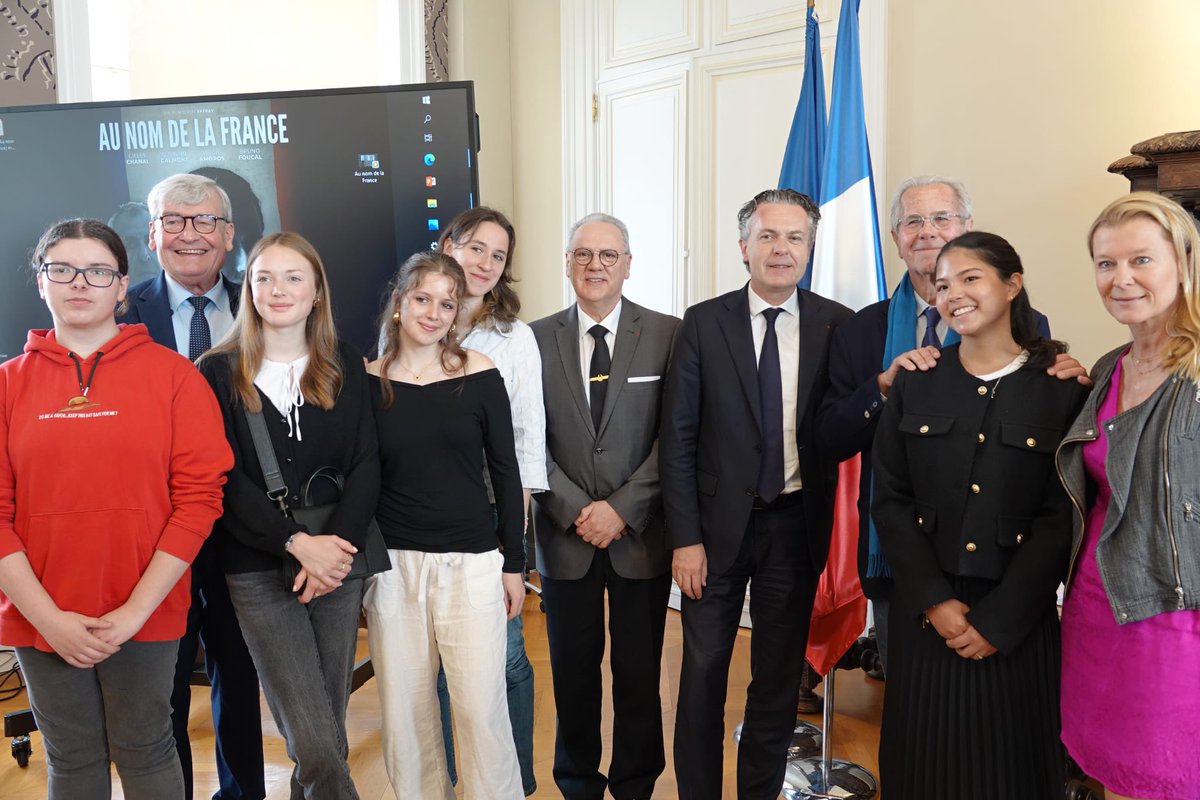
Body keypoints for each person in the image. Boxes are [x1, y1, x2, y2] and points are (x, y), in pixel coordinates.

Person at [816, 175, 1080, 689]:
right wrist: (884, 389)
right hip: (901, 556)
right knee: (914, 701)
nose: (926, 232)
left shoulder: (1033, 326)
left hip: (1007, 561)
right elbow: (830, 438)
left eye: (941, 218)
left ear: (966, 228)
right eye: (912, 221)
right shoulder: (859, 331)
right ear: (895, 237)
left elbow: (1044, 456)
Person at [0, 219, 232, 798]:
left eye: (98, 271)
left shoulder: (175, 377)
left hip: (146, 611)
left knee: (147, 748)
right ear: (41, 281)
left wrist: (133, 613)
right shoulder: (6, 386)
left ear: (122, 286)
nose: (80, 283)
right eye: (63, 269)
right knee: (72, 758)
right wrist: (49, 620)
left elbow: (199, 502)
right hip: (40, 616)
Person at [871, 231, 1088, 799]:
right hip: (927, 615)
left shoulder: (1061, 389)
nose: (954, 294)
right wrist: (935, 602)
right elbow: (889, 500)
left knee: (1012, 772)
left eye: (970, 278)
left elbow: (1061, 514)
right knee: (922, 770)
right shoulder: (915, 380)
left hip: (1018, 621)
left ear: (1013, 284)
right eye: (942, 285)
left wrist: (1001, 620)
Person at [660, 188, 851, 799]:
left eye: (795, 237)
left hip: (796, 528)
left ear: (810, 248)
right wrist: (685, 538)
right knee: (703, 673)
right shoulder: (703, 322)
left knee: (775, 680)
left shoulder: (834, 324)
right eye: (767, 236)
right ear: (743, 246)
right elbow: (678, 437)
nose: (781, 249)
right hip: (713, 535)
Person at [197, 232, 378, 799]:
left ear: (317, 291)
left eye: (293, 277)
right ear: (248, 290)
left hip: (340, 562)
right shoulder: (216, 371)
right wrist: (298, 543)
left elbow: (368, 462)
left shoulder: (345, 361)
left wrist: (336, 549)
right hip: (256, 565)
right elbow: (224, 481)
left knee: (324, 727)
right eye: (264, 278)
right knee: (317, 740)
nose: (278, 290)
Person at [118, 173, 265, 800]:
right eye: (174, 221)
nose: (190, 234)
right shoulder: (119, 313)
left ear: (229, 236)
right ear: (152, 235)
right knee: (164, 687)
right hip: (155, 535)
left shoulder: (264, 306)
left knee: (240, 675)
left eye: (205, 221)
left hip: (244, 529)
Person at [365, 251, 525, 799]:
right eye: (422, 299)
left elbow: (506, 472)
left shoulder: (480, 375)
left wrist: (515, 565)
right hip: (393, 569)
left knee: (480, 709)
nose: (433, 313)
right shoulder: (367, 382)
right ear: (399, 304)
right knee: (406, 713)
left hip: (473, 562)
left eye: (447, 304)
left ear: (458, 314)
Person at [530, 213, 679, 800]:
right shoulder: (533, 339)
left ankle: (637, 781)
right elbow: (525, 438)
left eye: (608, 255)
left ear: (628, 264)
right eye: (583, 254)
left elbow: (679, 435)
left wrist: (620, 508)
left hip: (640, 535)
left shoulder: (669, 334)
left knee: (640, 673)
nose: (595, 266)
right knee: (571, 672)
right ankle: (578, 781)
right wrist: (573, 507)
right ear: (567, 262)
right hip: (564, 538)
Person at [1058, 192, 1200, 800]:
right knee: (1110, 772)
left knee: (1171, 775)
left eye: (1141, 260)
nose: (1121, 280)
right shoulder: (1111, 363)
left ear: (1183, 262)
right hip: (1096, 606)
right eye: (1105, 263)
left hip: (1174, 618)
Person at [431, 206, 547, 795]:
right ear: (447, 243)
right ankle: (457, 780)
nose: (484, 263)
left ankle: (513, 782)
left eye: (497, 256)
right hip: (419, 518)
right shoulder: (412, 322)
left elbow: (526, 445)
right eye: (475, 247)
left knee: (504, 656)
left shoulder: (513, 339)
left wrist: (515, 548)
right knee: (445, 663)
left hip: (489, 513)